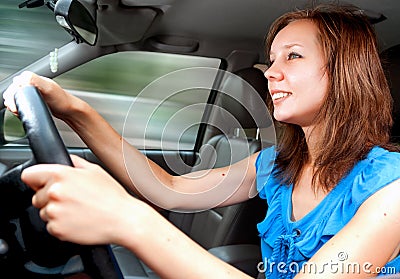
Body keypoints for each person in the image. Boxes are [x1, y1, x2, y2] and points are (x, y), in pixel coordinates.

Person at [4, 3, 400, 278]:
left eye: (293, 56)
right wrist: (76, 110)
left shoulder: (391, 189)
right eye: (272, 59)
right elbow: (169, 188)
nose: (270, 73)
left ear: (345, 72)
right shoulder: (275, 165)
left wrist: (125, 217)